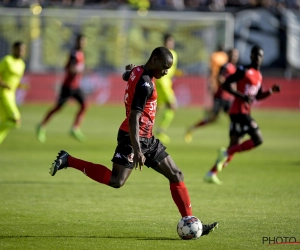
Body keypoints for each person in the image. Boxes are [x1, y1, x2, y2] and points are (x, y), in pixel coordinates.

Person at [50, 47, 218, 234]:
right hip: (132, 138)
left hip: (147, 138)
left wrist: (128, 72)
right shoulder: (146, 84)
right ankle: (69, 160)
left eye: (168, 68)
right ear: (154, 60)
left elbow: (126, 76)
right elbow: (133, 118)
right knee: (116, 181)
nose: (166, 72)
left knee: (176, 175)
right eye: (164, 67)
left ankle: (190, 221)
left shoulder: (138, 70)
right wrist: (138, 149)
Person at [203, 45, 280, 185]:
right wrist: (241, 96)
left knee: (234, 145)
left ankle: (211, 173)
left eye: (261, 56)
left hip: (243, 111)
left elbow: (258, 95)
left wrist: (271, 91)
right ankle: (225, 153)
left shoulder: (259, 75)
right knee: (258, 139)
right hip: (238, 112)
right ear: (251, 56)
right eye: (256, 55)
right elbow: (226, 84)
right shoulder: (244, 70)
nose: (258, 58)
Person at [37, 34, 87, 143]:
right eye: (80, 41)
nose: (82, 43)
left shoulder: (81, 53)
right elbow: (69, 68)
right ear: (76, 42)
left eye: (84, 41)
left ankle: (75, 128)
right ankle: (41, 126)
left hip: (76, 86)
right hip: (68, 86)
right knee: (58, 108)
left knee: (84, 105)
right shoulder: (74, 54)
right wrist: (78, 70)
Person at [185, 48, 239, 143]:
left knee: (233, 117)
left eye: (236, 55)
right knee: (213, 118)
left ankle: (235, 138)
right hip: (221, 96)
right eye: (233, 54)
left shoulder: (234, 67)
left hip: (228, 97)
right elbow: (219, 78)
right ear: (229, 55)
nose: (234, 56)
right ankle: (192, 128)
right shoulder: (225, 66)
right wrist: (228, 85)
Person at [155, 34, 180, 144]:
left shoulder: (174, 54)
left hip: (166, 82)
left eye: (171, 42)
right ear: (164, 42)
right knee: (172, 106)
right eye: (168, 41)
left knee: (156, 108)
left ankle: (145, 129)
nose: (170, 44)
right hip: (162, 82)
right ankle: (160, 130)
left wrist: (178, 73)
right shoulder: (161, 53)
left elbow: (171, 69)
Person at [0, 41, 26, 145]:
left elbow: (15, 81)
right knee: (16, 120)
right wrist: (3, 84)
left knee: (11, 122)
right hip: (3, 94)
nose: (21, 52)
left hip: (11, 96)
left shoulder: (22, 64)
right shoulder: (7, 60)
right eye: (19, 49)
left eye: (23, 50)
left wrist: (21, 86)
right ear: (13, 49)